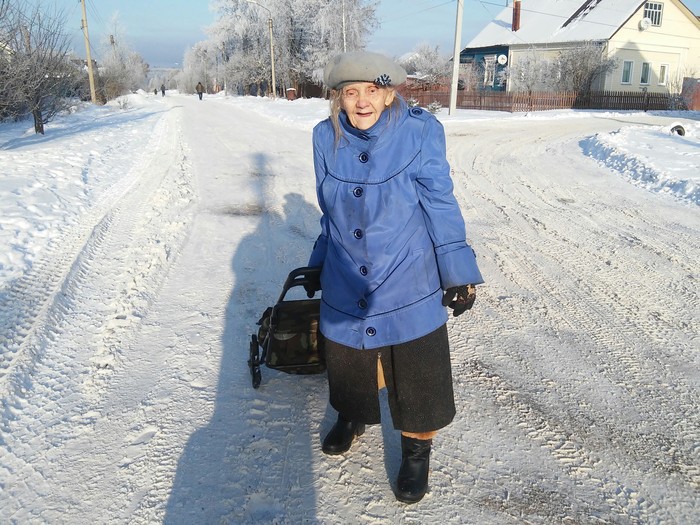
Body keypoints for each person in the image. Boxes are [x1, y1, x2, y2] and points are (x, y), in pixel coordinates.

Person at [306, 51, 484, 504]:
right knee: (348, 359)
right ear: (338, 98)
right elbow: (329, 211)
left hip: (408, 270)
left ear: (388, 94)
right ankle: (352, 413)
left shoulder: (420, 132)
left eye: (372, 90)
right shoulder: (324, 138)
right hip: (348, 270)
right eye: (350, 92)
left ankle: (417, 449)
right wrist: (318, 261)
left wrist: (457, 273)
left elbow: (440, 203)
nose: (361, 101)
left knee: (417, 368)